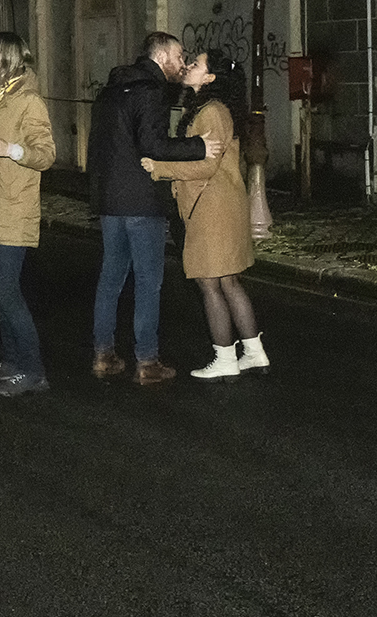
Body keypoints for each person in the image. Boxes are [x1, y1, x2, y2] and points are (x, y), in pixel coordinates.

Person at [87, 32, 222, 385]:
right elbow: (153, 145)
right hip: (142, 200)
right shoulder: (151, 91)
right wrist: (197, 147)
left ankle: (103, 355)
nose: (183, 63)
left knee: (111, 278)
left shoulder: (110, 90)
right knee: (148, 281)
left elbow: (97, 147)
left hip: (110, 200)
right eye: (179, 56)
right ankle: (147, 361)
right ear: (161, 57)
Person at [140, 50, 269, 379]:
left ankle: (225, 358)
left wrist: (160, 167)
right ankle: (254, 352)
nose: (188, 67)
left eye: (196, 64)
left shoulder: (211, 111)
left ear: (210, 78)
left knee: (209, 284)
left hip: (211, 207)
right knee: (229, 283)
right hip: (219, 204)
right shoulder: (214, 109)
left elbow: (206, 166)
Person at [0, 32, 57, 397]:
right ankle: (12, 360)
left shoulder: (28, 100)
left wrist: (11, 149)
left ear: (3, 57)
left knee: (6, 290)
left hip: (14, 206)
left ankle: (33, 369)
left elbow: (46, 154)